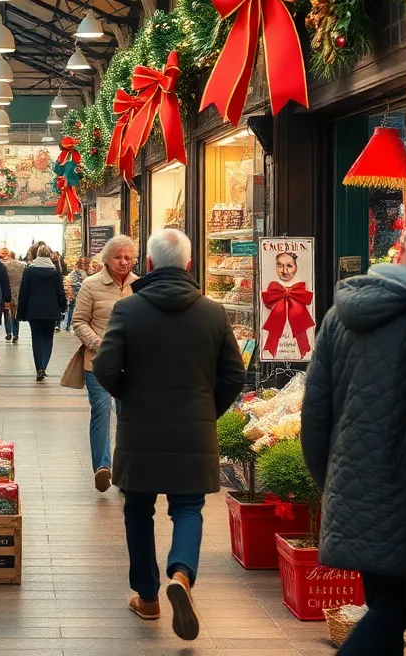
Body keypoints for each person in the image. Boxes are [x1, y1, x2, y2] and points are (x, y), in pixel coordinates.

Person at [92, 229, 245, 642]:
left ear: (151, 264)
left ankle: (148, 598)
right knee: (188, 508)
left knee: (138, 510)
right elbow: (234, 374)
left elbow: (105, 368)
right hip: (194, 430)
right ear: (190, 265)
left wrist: (130, 393)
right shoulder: (213, 313)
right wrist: (206, 411)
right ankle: (181, 573)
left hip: (140, 428)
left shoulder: (129, 309)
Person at [302, 260, 406, 655]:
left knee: (385, 603)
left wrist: (331, 481)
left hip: (355, 487)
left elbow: (314, 416)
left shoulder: (337, 316)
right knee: (396, 609)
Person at [72, 234, 137, 492]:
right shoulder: (91, 285)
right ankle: (103, 467)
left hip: (132, 365)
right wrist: (99, 344)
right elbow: (78, 321)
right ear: (107, 259)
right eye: (118, 257)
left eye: (128, 257)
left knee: (128, 416)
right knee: (100, 410)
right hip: (98, 361)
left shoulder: (140, 285)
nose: (124, 262)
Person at [17, 244, 67, 381]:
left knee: (37, 337)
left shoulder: (29, 271)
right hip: (52, 309)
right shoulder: (55, 272)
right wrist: (63, 307)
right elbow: (60, 292)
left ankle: (39, 367)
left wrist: (21, 312)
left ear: (36, 255)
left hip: (34, 310)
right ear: (49, 255)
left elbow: (24, 293)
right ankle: (44, 366)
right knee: (48, 338)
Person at [2, 248, 26, 344]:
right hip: (18, 292)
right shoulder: (21, 266)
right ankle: (16, 333)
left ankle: (8, 332)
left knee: (7, 313)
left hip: (7, 292)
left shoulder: (5, 265)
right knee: (15, 313)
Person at [65, 256, 90, 332]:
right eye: (82, 263)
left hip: (74, 292)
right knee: (74, 309)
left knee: (72, 309)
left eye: (84, 263)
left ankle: (68, 325)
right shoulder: (82, 273)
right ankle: (70, 325)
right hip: (77, 293)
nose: (84, 265)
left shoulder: (75, 272)